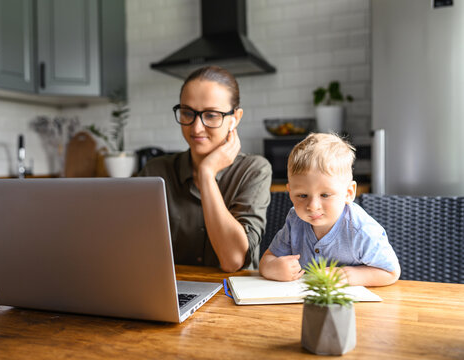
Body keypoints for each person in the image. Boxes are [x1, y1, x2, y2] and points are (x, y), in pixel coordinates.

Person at [138, 66, 272, 272]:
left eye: (211, 115)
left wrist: (207, 174)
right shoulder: (155, 171)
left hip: (233, 297)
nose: (196, 127)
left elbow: (233, 261)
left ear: (235, 118)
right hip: (173, 294)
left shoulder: (254, 170)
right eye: (187, 113)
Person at [259, 133, 400, 286]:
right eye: (302, 195)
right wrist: (273, 268)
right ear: (290, 193)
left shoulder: (361, 230)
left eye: (325, 195)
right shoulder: (295, 220)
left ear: (349, 193)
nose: (312, 206)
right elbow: (267, 260)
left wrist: (347, 276)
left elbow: (391, 272)